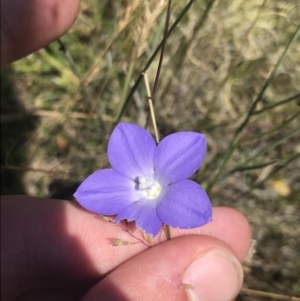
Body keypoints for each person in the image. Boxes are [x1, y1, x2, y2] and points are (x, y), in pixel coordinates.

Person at [1, 1, 252, 300]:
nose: (147, 184)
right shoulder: (120, 155)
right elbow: (91, 193)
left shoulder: (188, 180)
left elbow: (195, 181)